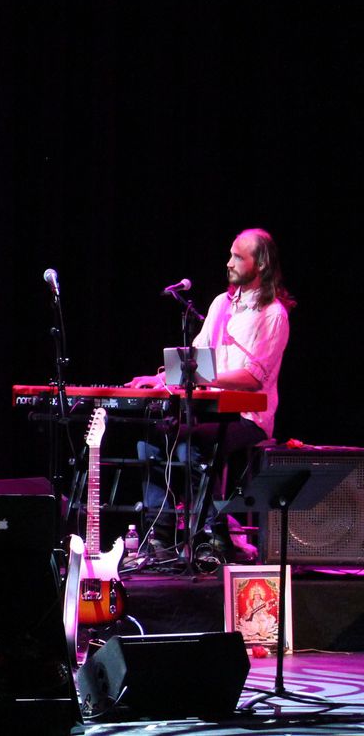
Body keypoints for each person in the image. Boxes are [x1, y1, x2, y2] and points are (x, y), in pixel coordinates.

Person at [130, 228, 293, 553]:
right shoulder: (221, 304)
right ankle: (160, 534)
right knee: (150, 440)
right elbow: (193, 359)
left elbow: (253, 378)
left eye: (238, 257)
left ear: (260, 264)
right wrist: (158, 380)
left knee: (189, 447)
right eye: (230, 255)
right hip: (209, 413)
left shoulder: (273, 315)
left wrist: (203, 378)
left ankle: (210, 534)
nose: (229, 262)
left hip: (248, 418)